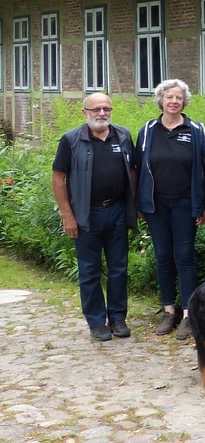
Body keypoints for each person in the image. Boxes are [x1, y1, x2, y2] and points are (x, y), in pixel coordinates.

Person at [51, 93, 137, 342]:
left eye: (106, 108)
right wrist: (68, 215)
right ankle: (97, 322)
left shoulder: (122, 135)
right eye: (96, 109)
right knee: (90, 271)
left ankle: (118, 318)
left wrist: (132, 205)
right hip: (86, 214)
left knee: (119, 268)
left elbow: (133, 171)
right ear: (84, 112)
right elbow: (58, 178)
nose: (102, 113)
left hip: (117, 211)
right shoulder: (71, 139)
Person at [135, 79, 205, 339]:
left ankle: (189, 314)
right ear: (161, 100)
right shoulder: (147, 130)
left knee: (185, 257)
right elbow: (137, 169)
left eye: (179, 97)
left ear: (184, 101)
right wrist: (139, 202)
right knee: (163, 256)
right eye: (169, 97)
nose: (174, 101)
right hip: (156, 205)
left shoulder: (196, 129)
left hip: (184, 204)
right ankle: (169, 311)